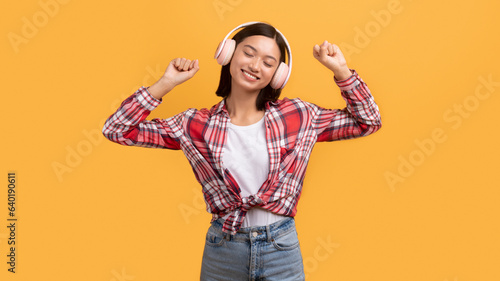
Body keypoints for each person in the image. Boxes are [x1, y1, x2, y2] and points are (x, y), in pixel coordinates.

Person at [102, 22, 381, 281]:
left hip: (281, 248)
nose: (255, 65)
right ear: (229, 54)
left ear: (277, 75)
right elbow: (116, 129)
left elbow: (368, 122)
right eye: (249, 53)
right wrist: (166, 83)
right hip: (223, 249)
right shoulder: (193, 124)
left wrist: (342, 71)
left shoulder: (299, 116)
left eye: (268, 62)